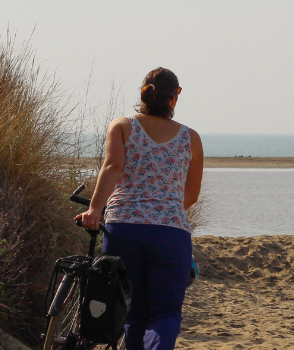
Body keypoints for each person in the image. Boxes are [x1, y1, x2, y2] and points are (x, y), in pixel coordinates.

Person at [75, 67, 203, 350]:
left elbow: (112, 167)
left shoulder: (122, 126)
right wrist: (161, 211)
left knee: (132, 313)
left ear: (144, 93)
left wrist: (95, 209)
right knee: (165, 314)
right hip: (169, 234)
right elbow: (190, 195)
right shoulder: (190, 137)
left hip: (123, 228)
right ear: (174, 98)